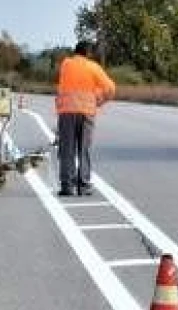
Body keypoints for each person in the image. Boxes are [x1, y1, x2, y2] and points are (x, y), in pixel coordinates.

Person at [55, 41, 116, 197]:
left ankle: (67, 186)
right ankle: (84, 185)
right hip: (87, 112)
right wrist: (100, 100)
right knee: (84, 150)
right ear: (88, 54)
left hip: (67, 112)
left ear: (76, 52)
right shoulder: (93, 67)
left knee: (67, 150)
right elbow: (111, 88)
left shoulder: (66, 64)